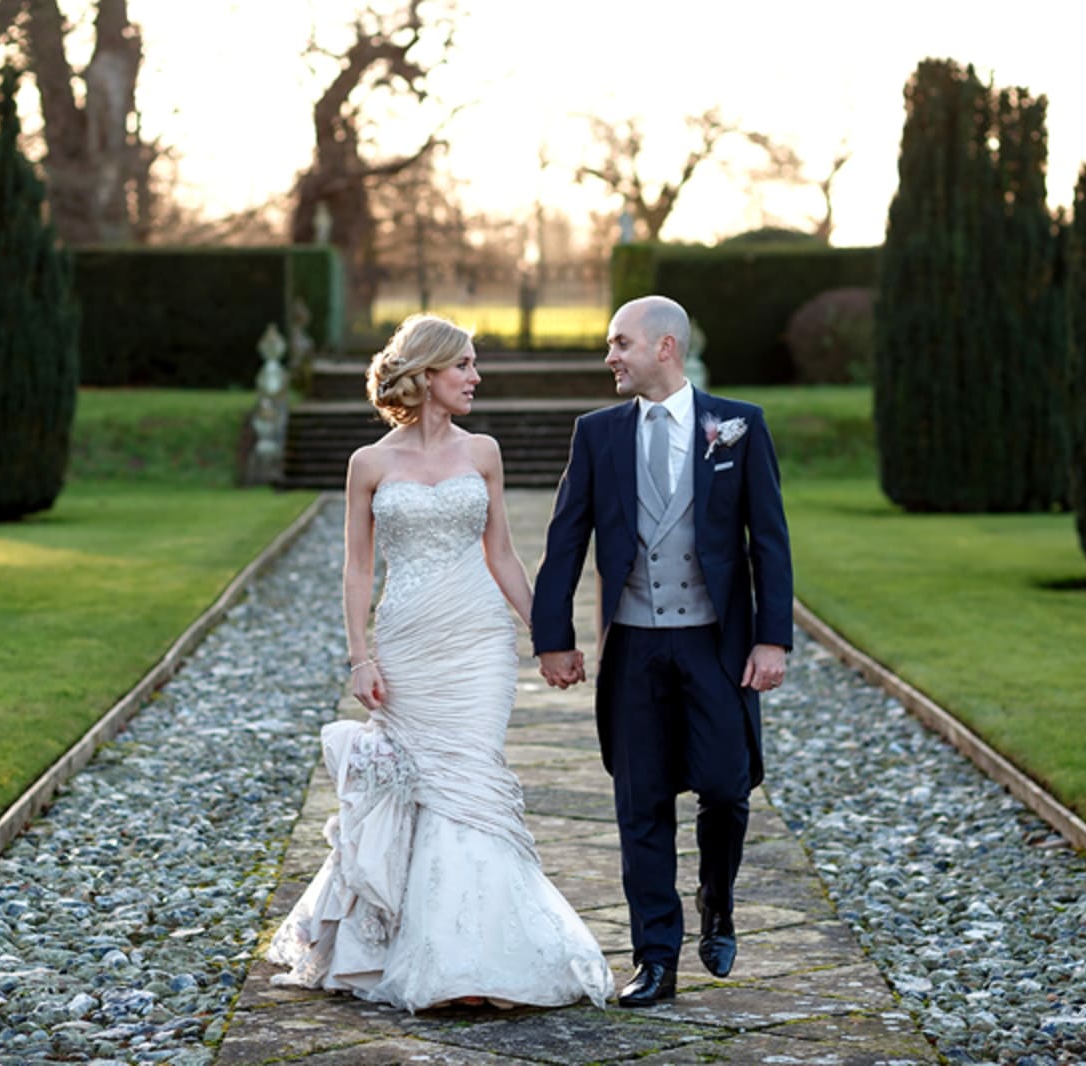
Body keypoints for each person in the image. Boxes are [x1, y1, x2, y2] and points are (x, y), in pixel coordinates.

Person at [267, 313, 612, 1012]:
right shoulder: (369, 463)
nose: (475, 378)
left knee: (472, 782)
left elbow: (504, 555)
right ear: (426, 375)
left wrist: (550, 637)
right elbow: (357, 571)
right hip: (406, 642)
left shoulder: (483, 451)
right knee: (417, 784)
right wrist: (359, 655)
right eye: (464, 366)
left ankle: (483, 959)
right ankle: (406, 950)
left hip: (480, 642)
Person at [531, 294, 793, 1007]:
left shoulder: (737, 427)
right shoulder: (599, 434)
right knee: (639, 802)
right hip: (636, 645)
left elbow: (767, 538)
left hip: (716, 644)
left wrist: (773, 637)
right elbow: (565, 540)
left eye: (619, 344)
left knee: (726, 787)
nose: (609, 357)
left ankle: (718, 899)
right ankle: (656, 959)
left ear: (664, 347)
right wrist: (553, 639)